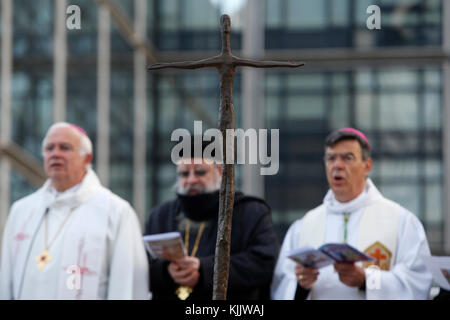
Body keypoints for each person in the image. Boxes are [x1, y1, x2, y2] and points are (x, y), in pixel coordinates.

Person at [271, 128, 433, 300]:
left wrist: (366, 280)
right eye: (331, 158)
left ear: (367, 166)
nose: (337, 165)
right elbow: (281, 285)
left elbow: (417, 283)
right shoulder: (303, 226)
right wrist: (301, 286)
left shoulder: (402, 221)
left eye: (347, 158)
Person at [0, 122, 149, 300]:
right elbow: (6, 281)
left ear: (86, 158)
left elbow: (127, 286)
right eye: (49, 148)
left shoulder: (115, 212)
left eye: (65, 148)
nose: (55, 154)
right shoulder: (22, 211)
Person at [144, 138, 280, 300]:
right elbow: (140, 267)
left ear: (220, 171)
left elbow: (263, 263)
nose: (191, 180)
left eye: (200, 172)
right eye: (184, 174)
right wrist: (167, 271)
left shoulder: (251, 212)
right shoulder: (160, 215)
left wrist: (204, 270)